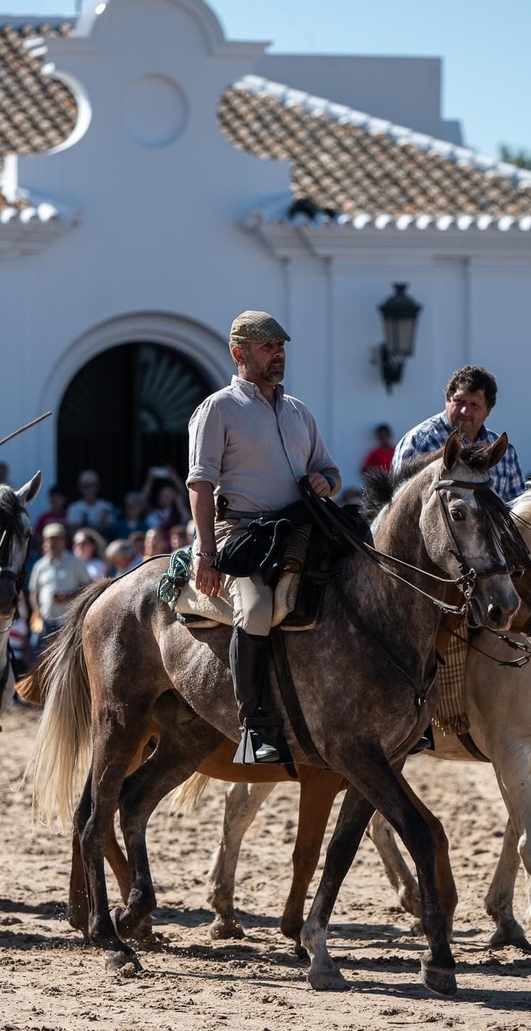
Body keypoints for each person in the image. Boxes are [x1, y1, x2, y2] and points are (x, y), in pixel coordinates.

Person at [188, 309, 341, 764]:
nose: (279, 355)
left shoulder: (299, 412)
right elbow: (199, 484)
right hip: (242, 531)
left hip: (301, 525)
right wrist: (206, 554)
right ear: (240, 353)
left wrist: (325, 483)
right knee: (255, 610)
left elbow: (331, 469)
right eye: (268, 347)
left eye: (281, 348)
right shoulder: (218, 409)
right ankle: (255, 727)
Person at [393, 366, 524, 501]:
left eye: (474, 405)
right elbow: (401, 509)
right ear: (447, 399)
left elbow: (516, 510)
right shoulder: (419, 442)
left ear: (488, 410)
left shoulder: (505, 453)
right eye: (459, 401)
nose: (464, 411)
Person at [28, 523, 87, 655]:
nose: (53, 543)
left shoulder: (75, 562)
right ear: (45, 541)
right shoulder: (40, 566)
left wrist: (68, 596)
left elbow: (88, 586)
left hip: (68, 621)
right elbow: (33, 593)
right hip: (45, 620)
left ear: (63, 541)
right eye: (50, 539)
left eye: (57, 539)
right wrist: (36, 613)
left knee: (69, 658)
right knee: (36, 656)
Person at [66, 470, 117, 535]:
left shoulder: (107, 506)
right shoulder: (73, 508)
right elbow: (72, 532)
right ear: (80, 488)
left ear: (97, 487)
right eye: (86, 486)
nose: (89, 489)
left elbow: (113, 531)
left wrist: (104, 524)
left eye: (92, 485)